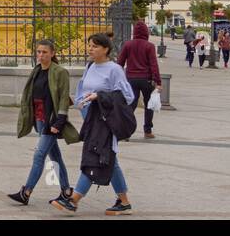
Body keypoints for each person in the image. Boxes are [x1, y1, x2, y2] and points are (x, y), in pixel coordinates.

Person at [51, 33, 136, 216]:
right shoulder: (90, 66)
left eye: (95, 46)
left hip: (106, 121)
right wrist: (77, 101)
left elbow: (127, 96)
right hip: (90, 119)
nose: (90, 49)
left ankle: (73, 200)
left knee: (95, 157)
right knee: (108, 159)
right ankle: (124, 202)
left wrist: (100, 96)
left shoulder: (114, 69)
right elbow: (83, 90)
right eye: (89, 45)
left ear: (106, 49)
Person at [8, 39, 77, 205]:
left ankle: (26, 191)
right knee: (55, 157)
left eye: (44, 52)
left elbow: (63, 98)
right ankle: (66, 190)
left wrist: (59, 122)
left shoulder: (60, 72)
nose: (41, 55)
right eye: (38, 52)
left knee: (39, 155)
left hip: (51, 121)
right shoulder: (37, 70)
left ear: (52, 54)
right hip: (39, 119)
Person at [116, 20, 162, 139]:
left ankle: (127, 131)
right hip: (147, 80)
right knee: (149, 105)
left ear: (134, 32)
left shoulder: (127, 45)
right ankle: (147, 131)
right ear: (146, 32)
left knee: (131, 105)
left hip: (131, 79)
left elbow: (119, 63)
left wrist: (117, 78)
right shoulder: (149, 46)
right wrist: (158, 82)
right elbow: (154, 65)